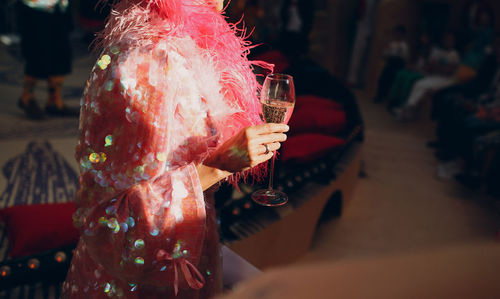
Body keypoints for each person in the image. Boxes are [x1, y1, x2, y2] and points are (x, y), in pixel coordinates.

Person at [61, 0, 289, 298]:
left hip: (190, 260)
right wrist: (218, 165)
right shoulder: (145, 60)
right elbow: (111, 227)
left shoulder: (187, 50)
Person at [16, 0, 75, 119]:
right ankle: (27, 97)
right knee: (37, 53)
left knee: (61, 52)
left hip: (57, 8)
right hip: (34, 10)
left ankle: (54, 101)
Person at [394, 32, 460, 120]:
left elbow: (450, 72)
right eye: (446, 39)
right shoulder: (439, 52)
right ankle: (407, 108)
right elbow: (430, 67)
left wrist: (437, 66)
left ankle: (408, 109)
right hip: (435, 76)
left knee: (421, 85)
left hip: (446, 79)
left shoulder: (454, 55)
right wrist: (429, 66)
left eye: (450, 40)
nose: (447, 41)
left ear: (454, 42)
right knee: (416, 82)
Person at [372, 25, 409, 103]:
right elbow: (385, 54)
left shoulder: (403, 46)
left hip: (398, 65)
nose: (396, 34)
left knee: (390, 81)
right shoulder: (392, 44)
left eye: (399, 33)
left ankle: (387, 98)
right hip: (390, 63)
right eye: (395, 33)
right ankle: (379, 97)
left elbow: (404, 57)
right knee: (382, 79)